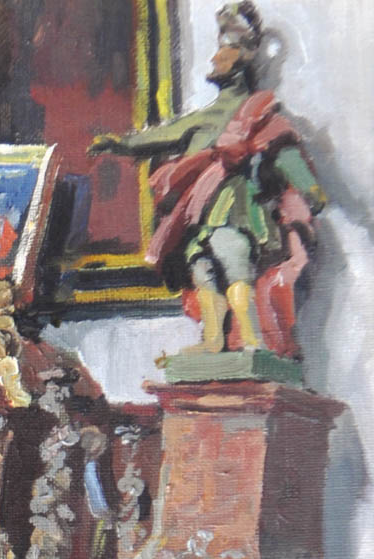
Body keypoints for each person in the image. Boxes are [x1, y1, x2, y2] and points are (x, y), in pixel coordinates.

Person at [89, 2, 325, 358]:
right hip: (200, 216)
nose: (214, 59)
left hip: (237, 213)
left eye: (222, 51)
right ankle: (213, 340)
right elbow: (162, 136)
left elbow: (286, 156)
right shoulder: (203, 118)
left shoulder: (261, 115)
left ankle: (250, 339)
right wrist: (120, 144)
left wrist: (311, 191)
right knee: (202, 271)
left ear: (241, 59)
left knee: (235, 266)